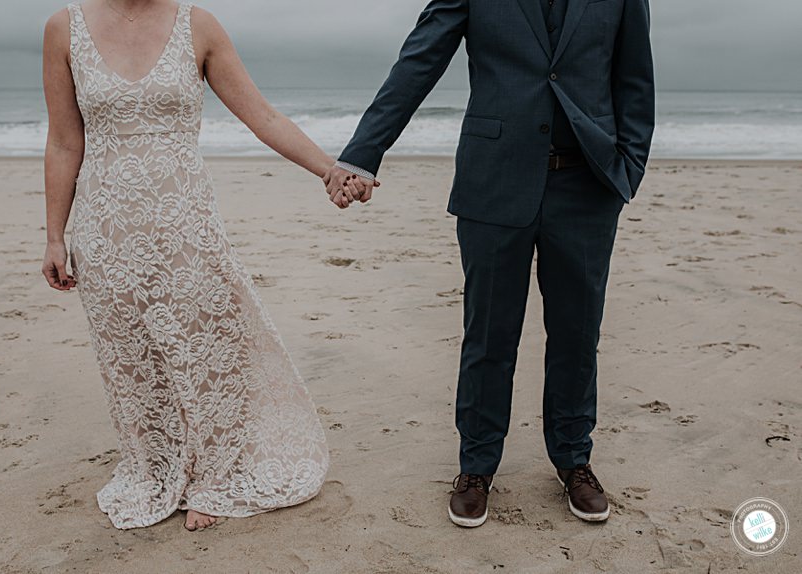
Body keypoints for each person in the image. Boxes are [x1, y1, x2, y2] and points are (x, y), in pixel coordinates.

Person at [325, 0, 655, 527]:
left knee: (577, 333)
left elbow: (635, 76)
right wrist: (363, 152)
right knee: (488, 334)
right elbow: (420, 59)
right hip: (493, 181)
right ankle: (476, 467)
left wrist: (627, 169)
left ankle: (574, 460)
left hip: (587, 188)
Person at [41, 0, 339, 531]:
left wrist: (329, 170)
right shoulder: (64, 28)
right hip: (106, 231)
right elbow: (65, 141)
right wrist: (54, 236)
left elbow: (262, 116)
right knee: (134, 364)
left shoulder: (197, 25)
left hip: (187, 225)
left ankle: (216, 479)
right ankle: (158, 468)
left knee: (208, 351)